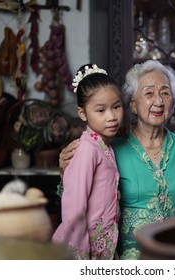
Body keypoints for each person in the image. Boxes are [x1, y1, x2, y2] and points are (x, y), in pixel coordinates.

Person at [58, 60, 175, 260]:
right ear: (132, 105)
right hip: (128, 255)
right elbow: (76, 203)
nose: (159, 101)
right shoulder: (110, 149)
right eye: (149, 93)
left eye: (165, 92)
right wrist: (64, 170)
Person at [52, 64, 124, 260]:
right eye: (101, 110)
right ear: (83, 113)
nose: (111, 117)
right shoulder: (85, 150)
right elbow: (74, 207)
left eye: (116, 107)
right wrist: (80, 257)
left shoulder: (104, 146)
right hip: (82, 249)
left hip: (103, 246)